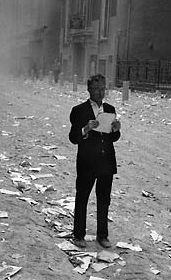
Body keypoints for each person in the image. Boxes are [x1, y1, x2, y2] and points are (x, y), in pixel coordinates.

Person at [68, 74, 121, 248]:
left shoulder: (110, 109)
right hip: (87, 162)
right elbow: (73, 138)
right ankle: (78, 235)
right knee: (82, 198)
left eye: (103, 89)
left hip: (106, 162)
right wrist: (86, 128)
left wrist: (115, 129)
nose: (100, 92)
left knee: (104, 200)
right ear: (89, 89)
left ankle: (102, 235)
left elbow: (113, 138)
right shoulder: (79, 110)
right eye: (96, 89)